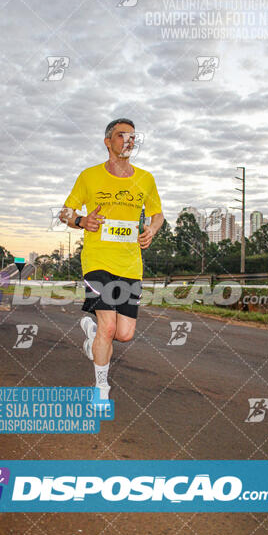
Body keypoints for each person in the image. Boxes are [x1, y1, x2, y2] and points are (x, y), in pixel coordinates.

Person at [60, 118, 164, 408]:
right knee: (108, 326)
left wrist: (152, 230)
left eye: (132, 136)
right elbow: (65, 212)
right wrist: (81, 220)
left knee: (124, 334)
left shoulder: (145, 178)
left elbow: (158, 214)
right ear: (108, 142)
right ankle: (101, 388)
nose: (128, 140)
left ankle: (92, 334)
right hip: (97, 261)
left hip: (130, 264)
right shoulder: (89, 176)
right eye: (122, 135)